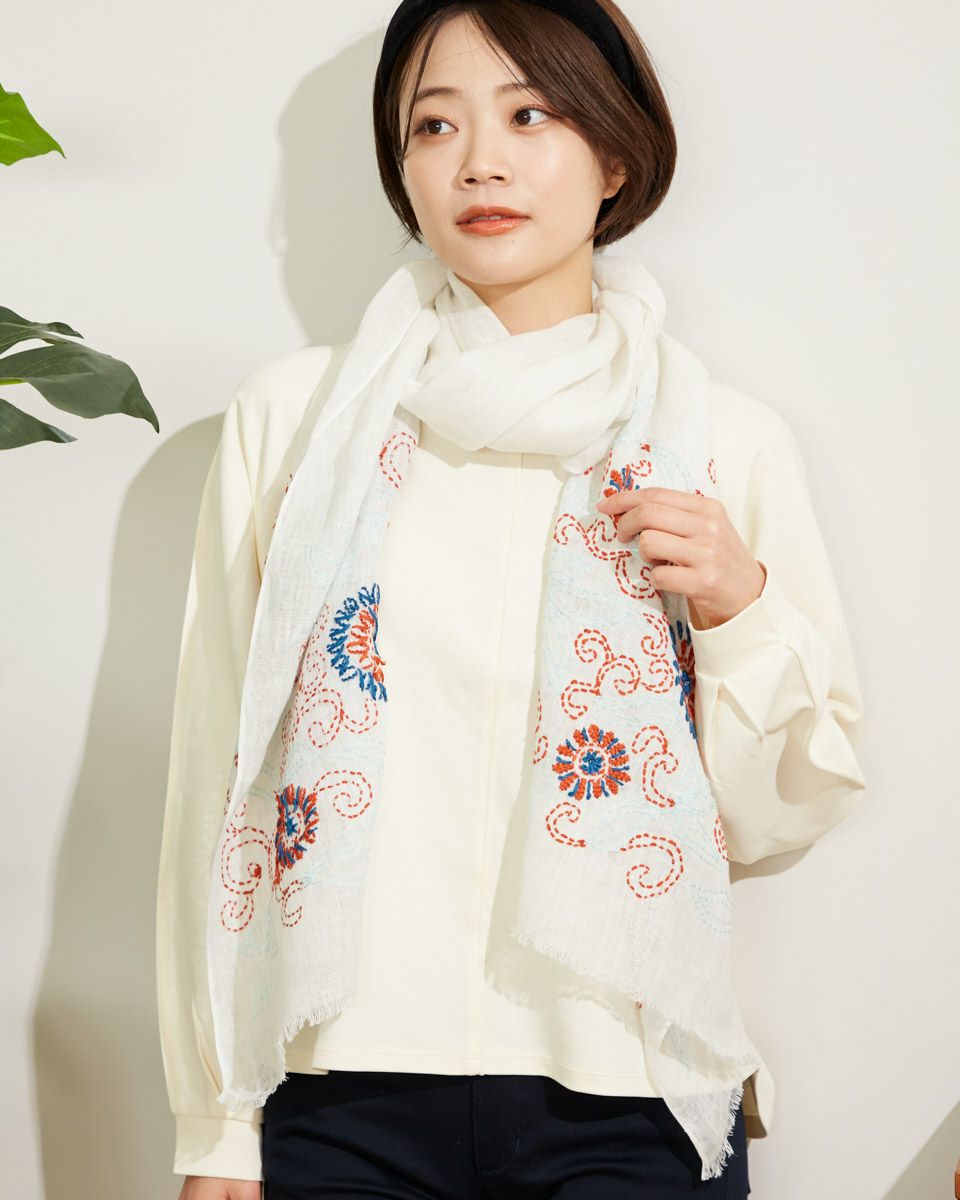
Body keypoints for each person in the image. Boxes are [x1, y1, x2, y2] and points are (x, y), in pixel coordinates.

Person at [155, 2, 867, 1197]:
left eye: (529, 115)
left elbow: (778, 818)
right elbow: (214, 786)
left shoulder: (721, 445)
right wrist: (217, 1124)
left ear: (616, 156)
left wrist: (739, 610)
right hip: (340, 1094)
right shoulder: (300, 425)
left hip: (632, 1098)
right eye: (434, 125)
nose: (479, 160)